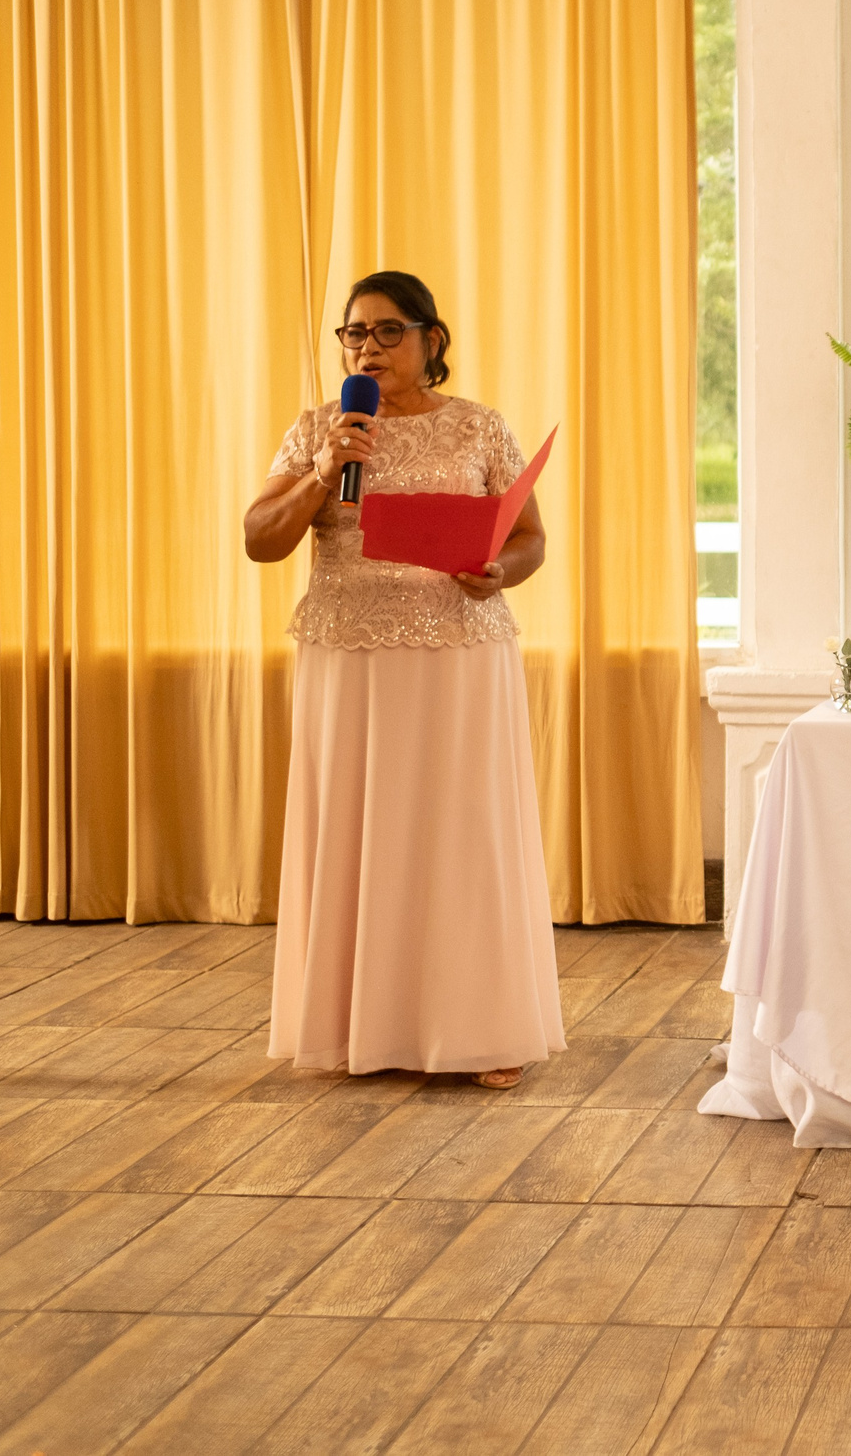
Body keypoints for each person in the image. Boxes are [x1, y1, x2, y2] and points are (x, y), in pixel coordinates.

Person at [244, 270, 565, 1089]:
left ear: (431, 340)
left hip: (460, 649)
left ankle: (483, 1027)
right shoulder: (323, 427)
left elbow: (528, 538)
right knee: (358, 833)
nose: (368, 347)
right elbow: (259, 538)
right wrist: (323, 472)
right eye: (354, 333)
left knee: (461, 835)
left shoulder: (480, 427)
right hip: (349, 654)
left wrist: (501, 570)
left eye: (388, 332)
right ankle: (363, 1026)